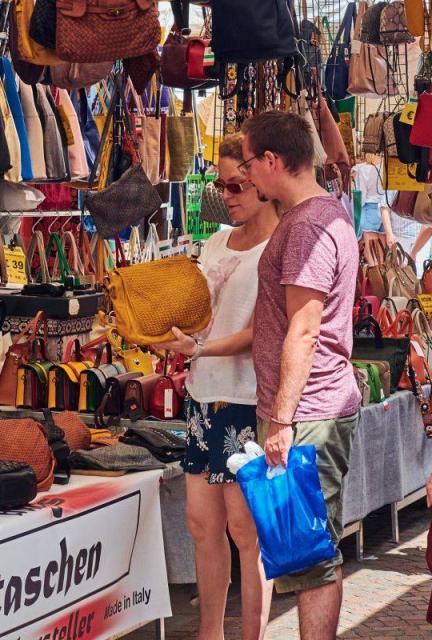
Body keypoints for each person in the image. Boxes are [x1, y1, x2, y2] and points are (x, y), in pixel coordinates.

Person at [241, 110, 361, 640]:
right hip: (313, 405)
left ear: (272, 160)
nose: (245, 176)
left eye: (247, 164)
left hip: (309, 409)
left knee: (311, 553)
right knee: (307, 549)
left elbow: (305, 328)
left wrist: (283, 420)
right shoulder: (323, 211)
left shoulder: (310, 224)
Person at [154, 133, 276, 640]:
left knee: (245, 530)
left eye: (237, 185)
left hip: (247, 398)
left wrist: (201, 349)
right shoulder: (216, 241)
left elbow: (265, 331)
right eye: (220, 186)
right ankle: (210, 633)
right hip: (204, 394)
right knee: (202, 524)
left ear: (263, 183)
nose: (227, 195)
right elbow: (204, 314)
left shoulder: (279, 245)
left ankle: (251, 634)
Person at [351, 152, 396, 248]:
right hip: (387, 210)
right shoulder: (388, 168)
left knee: (371, 250)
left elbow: (361, 196)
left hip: (370, 209)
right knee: (383, 248)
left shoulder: (363, 169)